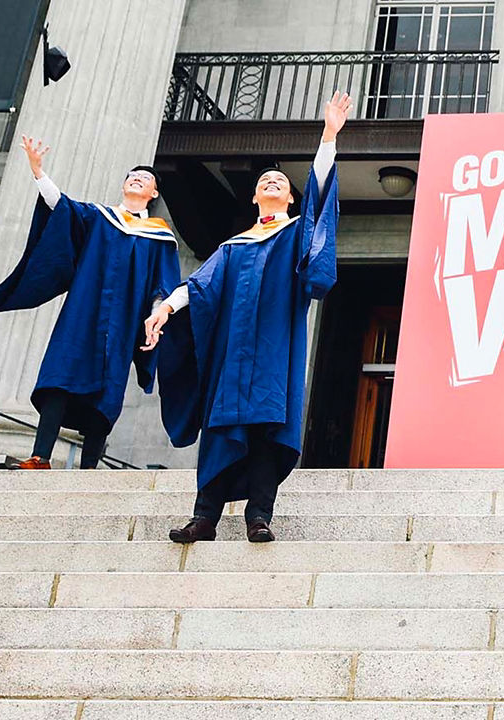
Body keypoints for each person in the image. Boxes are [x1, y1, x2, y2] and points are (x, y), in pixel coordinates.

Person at [145, 92, 350, 544]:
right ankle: (205, 518)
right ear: (256, 196)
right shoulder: (233, 246)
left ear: (291, 199)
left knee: (264, 433)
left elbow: (319, 201)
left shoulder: (296, 234)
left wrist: (328, 137)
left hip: (275, 353)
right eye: (266, 181)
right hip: (232, 360)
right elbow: (200, 287)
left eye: (281, 182)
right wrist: (165, 308)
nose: (273, 183)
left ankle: (259, 516)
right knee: (222, 431)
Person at [0, 136, 182, 470]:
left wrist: (154, 320)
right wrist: (38, 172)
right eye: (132, 175)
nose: (137, 178)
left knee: (107, 389)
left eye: (145, 178)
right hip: (83, 314)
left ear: (154, 193)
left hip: (124, 321)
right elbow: (61, 206)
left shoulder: (159, 236)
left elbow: (163, 285)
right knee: (60, 373)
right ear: (123, 185)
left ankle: (89, 468)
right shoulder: (98, 217)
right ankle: (40, 456)